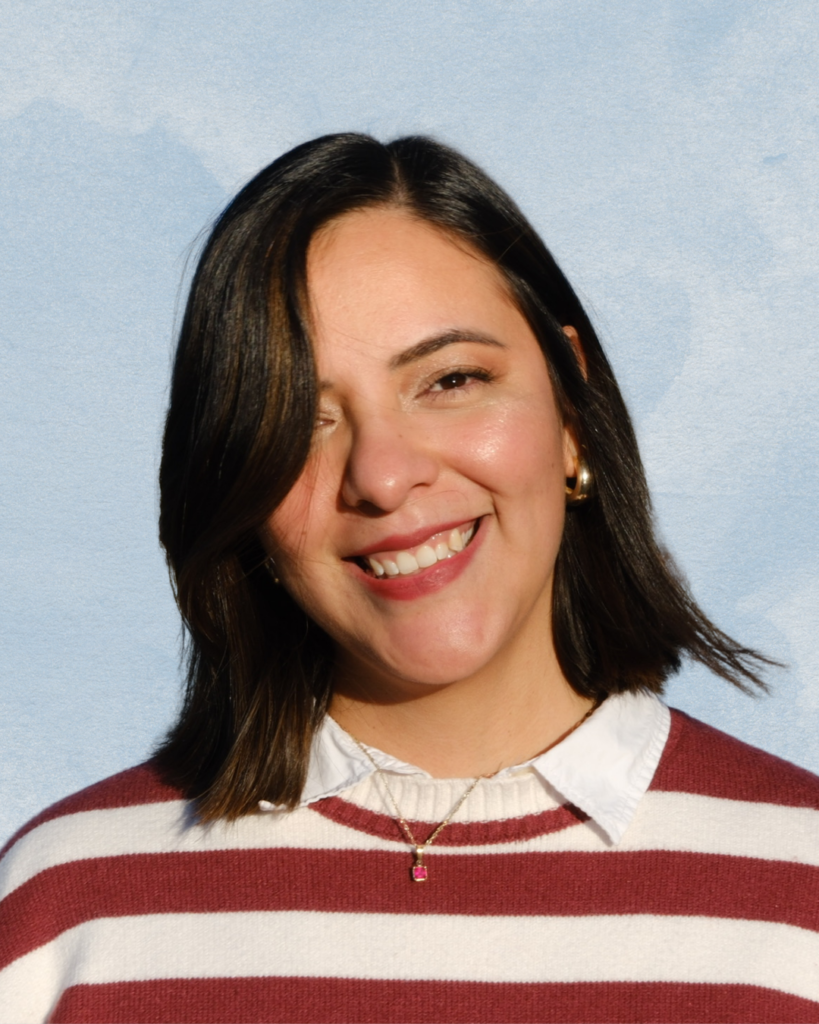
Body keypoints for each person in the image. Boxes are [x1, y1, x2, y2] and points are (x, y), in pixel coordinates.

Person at [2, 133, 819, 1024]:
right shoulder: (64, 913)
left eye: (451, 379)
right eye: (300, 419)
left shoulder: (800, 891)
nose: (384, 477)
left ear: (570, 411)